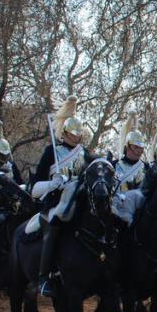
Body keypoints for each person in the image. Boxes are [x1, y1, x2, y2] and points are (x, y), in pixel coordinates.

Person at [28, 95, 93, 297]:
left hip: (79, 201)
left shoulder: (85, 154)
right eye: (73, 133)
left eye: (79, 133)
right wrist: (52, 183)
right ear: (64, 133)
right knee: (55, 225)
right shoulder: (51, 152)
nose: (76, 137)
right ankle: (44, 277)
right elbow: (34, 187)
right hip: (56, 203)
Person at [112, 111, 149, 225]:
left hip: (139, 213)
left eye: (141, 147)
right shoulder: (113, 165)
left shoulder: (147, 168)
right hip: (116, 211)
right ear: (128, 146)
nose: (139, 150)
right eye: (136, 147)